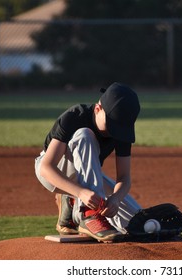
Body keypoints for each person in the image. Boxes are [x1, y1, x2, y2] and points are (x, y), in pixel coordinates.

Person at [34, 82, 142, 243]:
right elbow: (46, 168)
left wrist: (116, 199)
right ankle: (87, 213)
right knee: (85, 135)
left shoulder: (121, 129)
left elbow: (124, 178)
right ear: (98, 109)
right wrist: (80, 193)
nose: (115, 131)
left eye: (120, 127)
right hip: (55, 172)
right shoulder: (75, 116)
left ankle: (72, 204)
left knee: (136, 221)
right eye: (112, 125)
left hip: (87, 177)